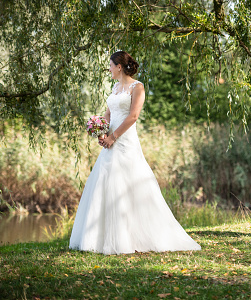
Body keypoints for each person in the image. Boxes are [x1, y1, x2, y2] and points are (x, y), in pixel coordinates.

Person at [69, 51, 201, 254]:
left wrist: (113, 137)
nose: (110, 69)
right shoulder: (114, 87)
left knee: (130, 182)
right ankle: (98, 238)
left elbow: (133, 116)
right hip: (110, 142)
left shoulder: (137, 87)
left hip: (125, 142)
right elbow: (108, 113)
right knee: (104, 181)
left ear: (119, 67)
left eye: (111, 66)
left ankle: (135, 237)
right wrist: (101, 132)